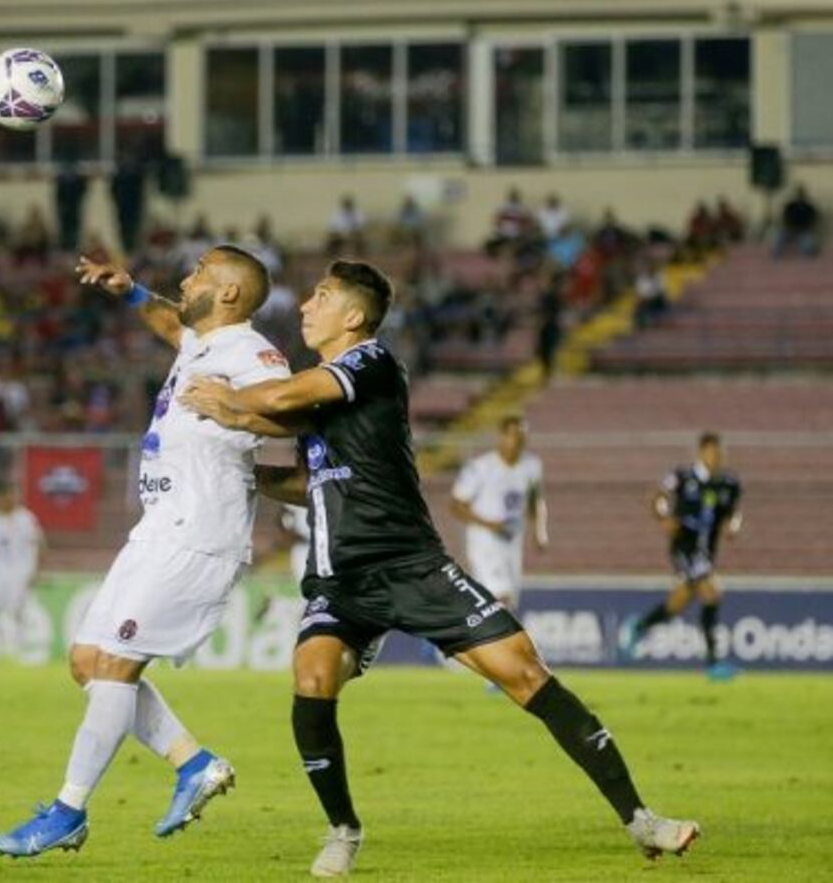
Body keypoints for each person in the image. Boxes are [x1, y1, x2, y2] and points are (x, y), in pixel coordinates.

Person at [181, 260, 698, 877]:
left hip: (411, 565)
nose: (303, 306)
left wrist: (231, 404)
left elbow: (285, 396)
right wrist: (244, 476)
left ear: (353, 315)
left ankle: (642, 819)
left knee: (525, 673)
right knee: (312, 676)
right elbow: (308, 479)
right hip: (342, 578)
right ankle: (342, 830)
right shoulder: (323, 394)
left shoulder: (369, 363)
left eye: (320, 296)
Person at [0, 245, 293, 859]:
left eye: (201, 272)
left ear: (230, 293)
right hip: (160, 526)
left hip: (199, 531)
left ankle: (68, 811)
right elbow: (167, 321)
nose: (187, 277)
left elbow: (291, 413)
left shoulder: (251, 352)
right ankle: (193, 763)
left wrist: (235, 412)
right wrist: (129, 291)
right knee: (87, 660)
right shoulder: (201, 343)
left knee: (118, 665)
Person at [620, 432, 743, 680]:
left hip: (706, 551)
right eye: (712, 453)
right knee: (711, 591)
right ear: (702, 452)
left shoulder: (729, 484)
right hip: (683, 546)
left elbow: (734, 513)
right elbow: (658, 497)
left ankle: (639, 627)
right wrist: (664, 516)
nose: (717, 458)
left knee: (678, 603)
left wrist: (734, 526)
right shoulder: (682, 477)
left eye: (720, 454)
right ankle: (713, 663)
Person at [449, 415, 548, 613]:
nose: (518, 440)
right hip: (485, 541)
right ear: (501, 437)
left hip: (512, 540)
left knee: (505, 602)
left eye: (522, 435)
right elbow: (456, 505)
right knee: (500, 597)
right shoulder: (481, 468)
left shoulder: (532, 465)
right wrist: (489, 524)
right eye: (513, 435)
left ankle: (469, 640)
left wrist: (540, 531)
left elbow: (535, 500)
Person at [0, 487, 44, 656]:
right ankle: (0, 639)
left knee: (16, 609)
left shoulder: (26, 518)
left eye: (4, 498)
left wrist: (35, 570)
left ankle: (20, 642)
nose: (1, 502)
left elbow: (37, 544)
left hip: (21, 570)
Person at [773, 185, 821, 258]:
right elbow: (785, 218)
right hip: (790, 230)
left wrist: (807, 228)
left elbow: (813, 220)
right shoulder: (790, 206)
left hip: (804, 231)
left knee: (807, 245)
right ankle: (776, 257)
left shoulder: (808, 207)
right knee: (779, 238)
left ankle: (807, 257)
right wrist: (790, 227)